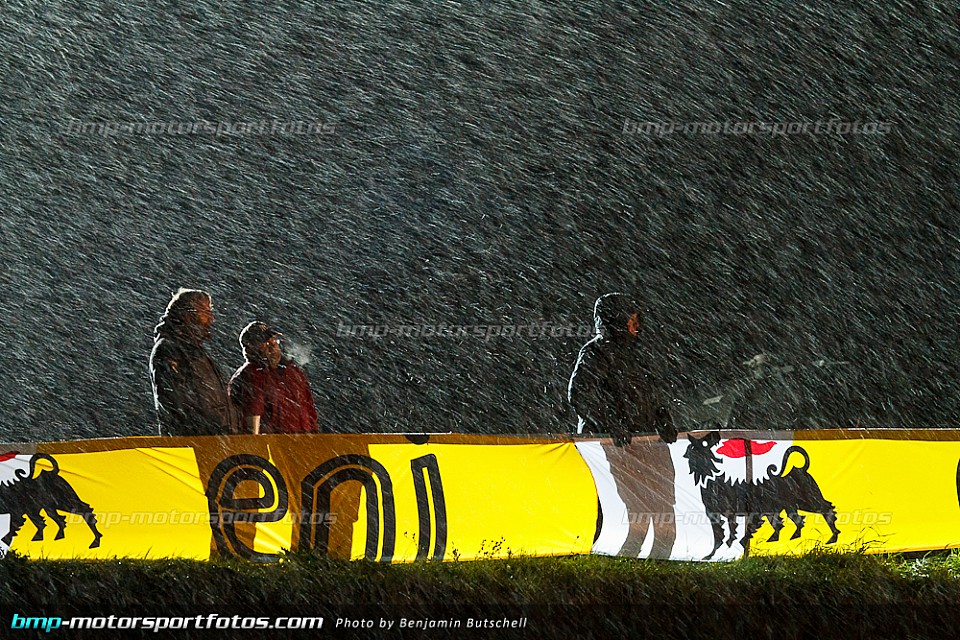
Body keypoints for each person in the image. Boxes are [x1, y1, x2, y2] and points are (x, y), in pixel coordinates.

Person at [567, 292, 677, 446]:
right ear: (618, 322)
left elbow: (653, 391)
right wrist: (610, 425)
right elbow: (581, 393)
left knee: (660, 471)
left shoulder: (636, 353)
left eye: (636, 320)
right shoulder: (597, 351)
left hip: (642, 440)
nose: (636, 326)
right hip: (610, 445)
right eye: (631, 321)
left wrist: (662, 418)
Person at [149, 288, 238, 436]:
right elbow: (175, 402)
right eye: (206, 313)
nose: (211, 319)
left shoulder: (192, 349)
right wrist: (207, 432)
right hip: (194, 445)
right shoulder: (169, 350)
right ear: (187, 315)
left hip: (210, 443)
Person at [228, 321, 319, 434]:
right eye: (264, 342)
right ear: (249, 348)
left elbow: (310, 412)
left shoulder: (294, 372)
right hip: (273, 448)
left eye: (272, 339)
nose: (272, 344)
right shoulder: (251, 376)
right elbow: (251, 423)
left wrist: (313, 439)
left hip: (301, 445)